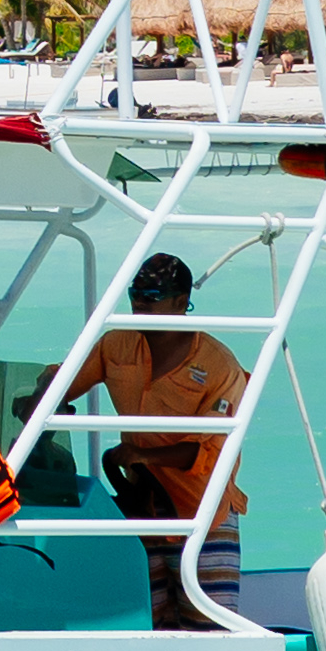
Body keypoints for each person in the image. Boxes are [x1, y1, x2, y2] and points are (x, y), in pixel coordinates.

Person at [60, 253, 250, 625]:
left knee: (211, 628)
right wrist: (39, 394)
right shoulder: (116, 346)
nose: (140, 304)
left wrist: (141, 454)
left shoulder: (218, 365)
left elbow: (208, 452)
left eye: (152, 294)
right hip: (143, 509)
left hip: (202, 512)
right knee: (150, 622)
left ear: (181, 302)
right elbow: (64, 383)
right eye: (135, 293)